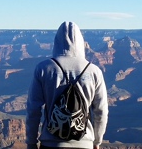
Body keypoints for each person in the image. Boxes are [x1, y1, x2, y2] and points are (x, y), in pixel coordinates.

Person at [26, 21, 108, 149]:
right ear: (81, 42)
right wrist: (97, 141)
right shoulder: (94, 71)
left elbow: (33, 110)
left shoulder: (44, 69)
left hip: (51, 144)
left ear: (57, 41)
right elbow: (101, 111)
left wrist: (31, 142)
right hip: (84, 144)